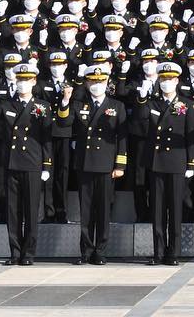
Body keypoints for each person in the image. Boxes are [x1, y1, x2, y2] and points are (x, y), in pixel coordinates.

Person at [0, 63, 53, 266]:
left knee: (30, 211)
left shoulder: (42, 106)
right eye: (19, 80)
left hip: (32, 163)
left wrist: (47, 165)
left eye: (26, 80)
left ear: (33, 82)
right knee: (13, 211)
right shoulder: (6, 105)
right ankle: (15, 251)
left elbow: (46, 138)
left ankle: (28, 253)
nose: (22, 84)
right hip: (11, 164)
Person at [130, 61, 194, 265]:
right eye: (163, 79)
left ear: (177, 80)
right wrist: (142, 99)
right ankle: (158, 252)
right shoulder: (152, 103)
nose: (166, 82)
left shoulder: (186, 104)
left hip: (177, 161)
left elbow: (190, 136)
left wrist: (191, 164)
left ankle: (173, 253)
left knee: (175, 209)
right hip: (156, 162)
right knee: (158, 209)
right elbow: (141, 120)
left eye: (169, 79)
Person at [59, 66, 127, 265]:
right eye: (92, 82)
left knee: (103, 210)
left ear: (107, 83)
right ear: (87, 83)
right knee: (86, 210)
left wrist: (120, 165)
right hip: (85, 163)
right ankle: (86, 250)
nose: (96, 85)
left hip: (106, 165)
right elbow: (65, 123)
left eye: (100, 82)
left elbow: (121, 138)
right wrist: (65, 101)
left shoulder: (117, 105)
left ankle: (101, 250)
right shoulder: (79, 104)